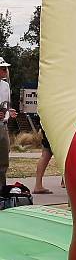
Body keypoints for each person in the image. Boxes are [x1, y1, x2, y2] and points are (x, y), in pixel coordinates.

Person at [0, 57, 17, 192]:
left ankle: (2, 190)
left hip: (3, 126)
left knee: (4, 159)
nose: (5, 71)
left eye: (5, 68)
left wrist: (8, 113)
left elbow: (6, 104)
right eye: (2, 68)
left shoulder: (5, 86)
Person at [33, 124, 54, 194]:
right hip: (57, 126)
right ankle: (65, 182)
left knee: (45, 154)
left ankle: (38, 185)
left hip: (47, 125)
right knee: (64, 152)